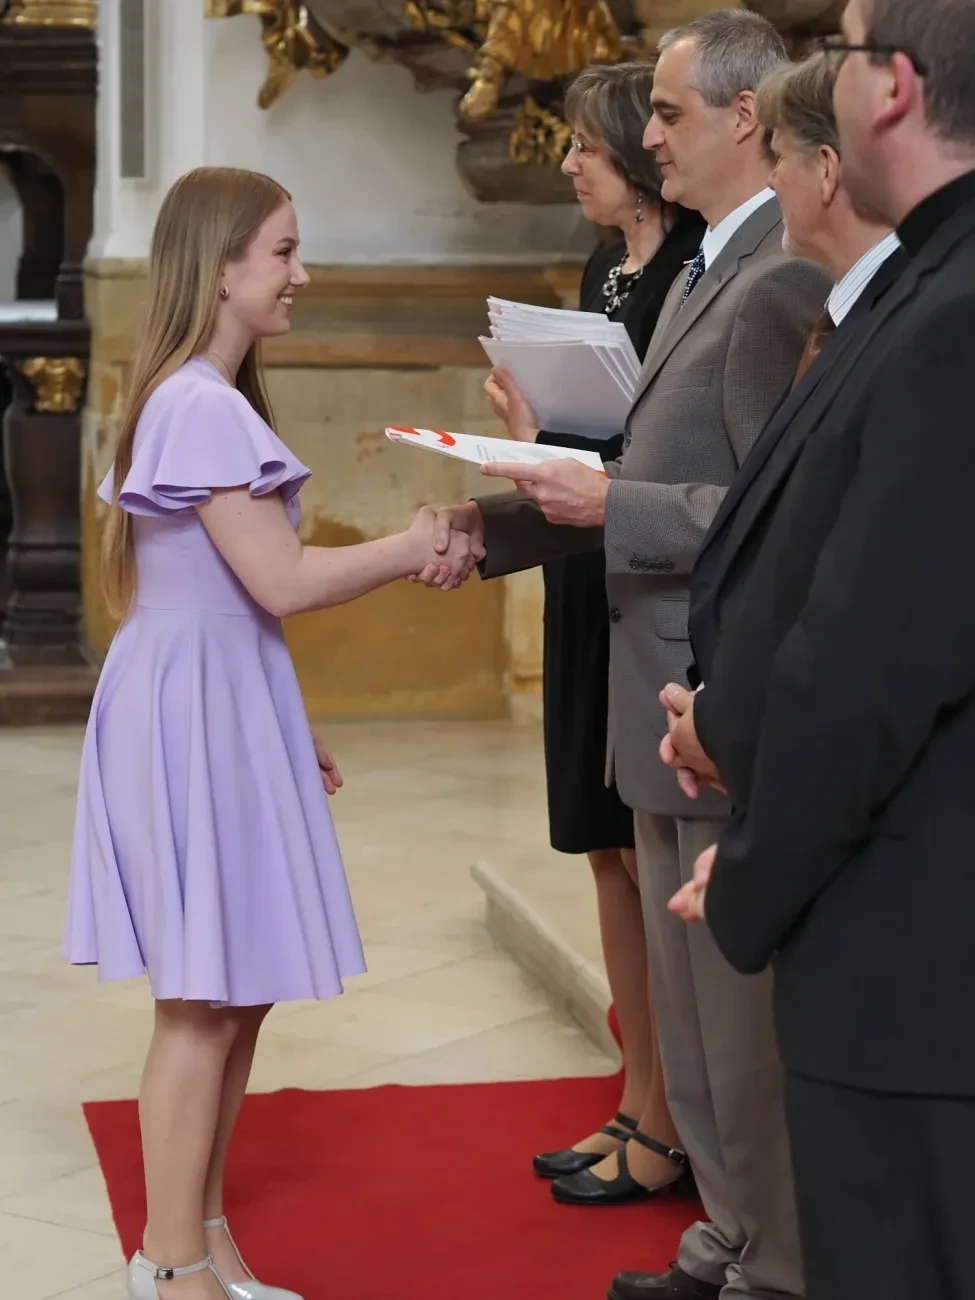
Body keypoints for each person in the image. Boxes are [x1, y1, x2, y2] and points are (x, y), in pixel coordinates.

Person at [424, 12, 830, 1298]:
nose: (647, 136)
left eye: (666, 112)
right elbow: (641, 464)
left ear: (745, 118)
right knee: (688, 1016)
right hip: (647, 683)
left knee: (736, 1023)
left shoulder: (777, 276)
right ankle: (724, 1236)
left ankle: (773, 1263)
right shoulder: (711, 261)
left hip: (706, 685)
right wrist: (497, 520)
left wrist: (610, 501)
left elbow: (771, 513)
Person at [63, 167, 475, 1300]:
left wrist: (282, 721)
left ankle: (205, 1241)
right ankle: (170, 1265)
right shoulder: (198, 404)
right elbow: (280, 580)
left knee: (236, 991)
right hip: (191, 707)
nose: (302, 273)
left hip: (215, 698)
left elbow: (228, 598)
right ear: (222, 265)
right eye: (284, 252)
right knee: (201, 1001)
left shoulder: (202, 395)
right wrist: (413, 544)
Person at [666, 1, 975, 1296]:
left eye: (839, 46)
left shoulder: (949, 317)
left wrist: (751, 872)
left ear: (890, 88)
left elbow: (866, 665)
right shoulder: (922, 284)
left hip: (914, 968)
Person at [491, 62, 704, 1203]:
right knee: (602, 846)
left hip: (648, 566)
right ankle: (634, 1091)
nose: (569, 162)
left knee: (645, 841)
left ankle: (670, 1114)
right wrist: (528, 435)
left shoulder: (692, 266)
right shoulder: (599, 267)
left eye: (583, 143)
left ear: (634, 152)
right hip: (585, 568)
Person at [660, 49, 905, 803]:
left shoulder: (901, 323)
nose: (770, 182)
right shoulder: (841, 310)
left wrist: (735, 720)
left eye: (782, 158)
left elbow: (846, 570)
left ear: (826, 169)